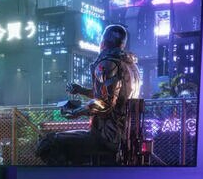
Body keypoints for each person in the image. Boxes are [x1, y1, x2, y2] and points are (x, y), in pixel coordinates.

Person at [36, 24, 140, 165]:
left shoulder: (108, 63)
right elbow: (110, 95)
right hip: (125, 134)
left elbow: (105, 104)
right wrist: (81, 90)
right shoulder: (131, 66)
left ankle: (72, 178)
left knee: (48, 143)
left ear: (104, 41)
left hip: (108, 136)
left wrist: (76, 112)